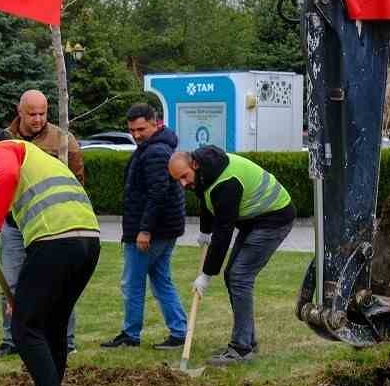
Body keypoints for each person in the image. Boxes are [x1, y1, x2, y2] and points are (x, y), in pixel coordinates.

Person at [0, 127, 101, 386]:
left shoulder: (3, 149)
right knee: (52, 323)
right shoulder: (42, 159)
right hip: (87, 242)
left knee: (25, 327)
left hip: (55, 242)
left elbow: (4, 177)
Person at [169, 145, 295, 366]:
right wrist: (204, 231)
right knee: (233, 276)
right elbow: (206, 201)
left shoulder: (226, 182)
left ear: (194, 165)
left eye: (184, 177)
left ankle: (241, 348)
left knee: (240, 276)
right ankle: (247, 340)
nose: (183, 184)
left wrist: (206, 275)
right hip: (253, 218)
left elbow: (224, 232)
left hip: (274, 217)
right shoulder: (204, 173)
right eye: (177, 180)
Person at [0, 89, 85, 359]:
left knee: (59, 281)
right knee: (10, 282)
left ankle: (65, 340)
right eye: (31, 114)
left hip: (47, 226)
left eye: (42, 113)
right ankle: (12, 339)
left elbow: (77, 179)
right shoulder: (5, 139)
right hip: (14, 225)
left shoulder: (63, 140)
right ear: (19, 112)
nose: (37, 119)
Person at [101, 103, 188, 349]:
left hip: (151, 230)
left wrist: (145, 230)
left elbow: (158, 193)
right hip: (165, 227)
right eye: (132, 130)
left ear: (155, 123)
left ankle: (131, 334)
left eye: (141, 129)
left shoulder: (155, 152)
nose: (136, 135)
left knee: (132, 283)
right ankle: (179, 330)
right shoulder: (156, 147)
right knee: (161, 280)